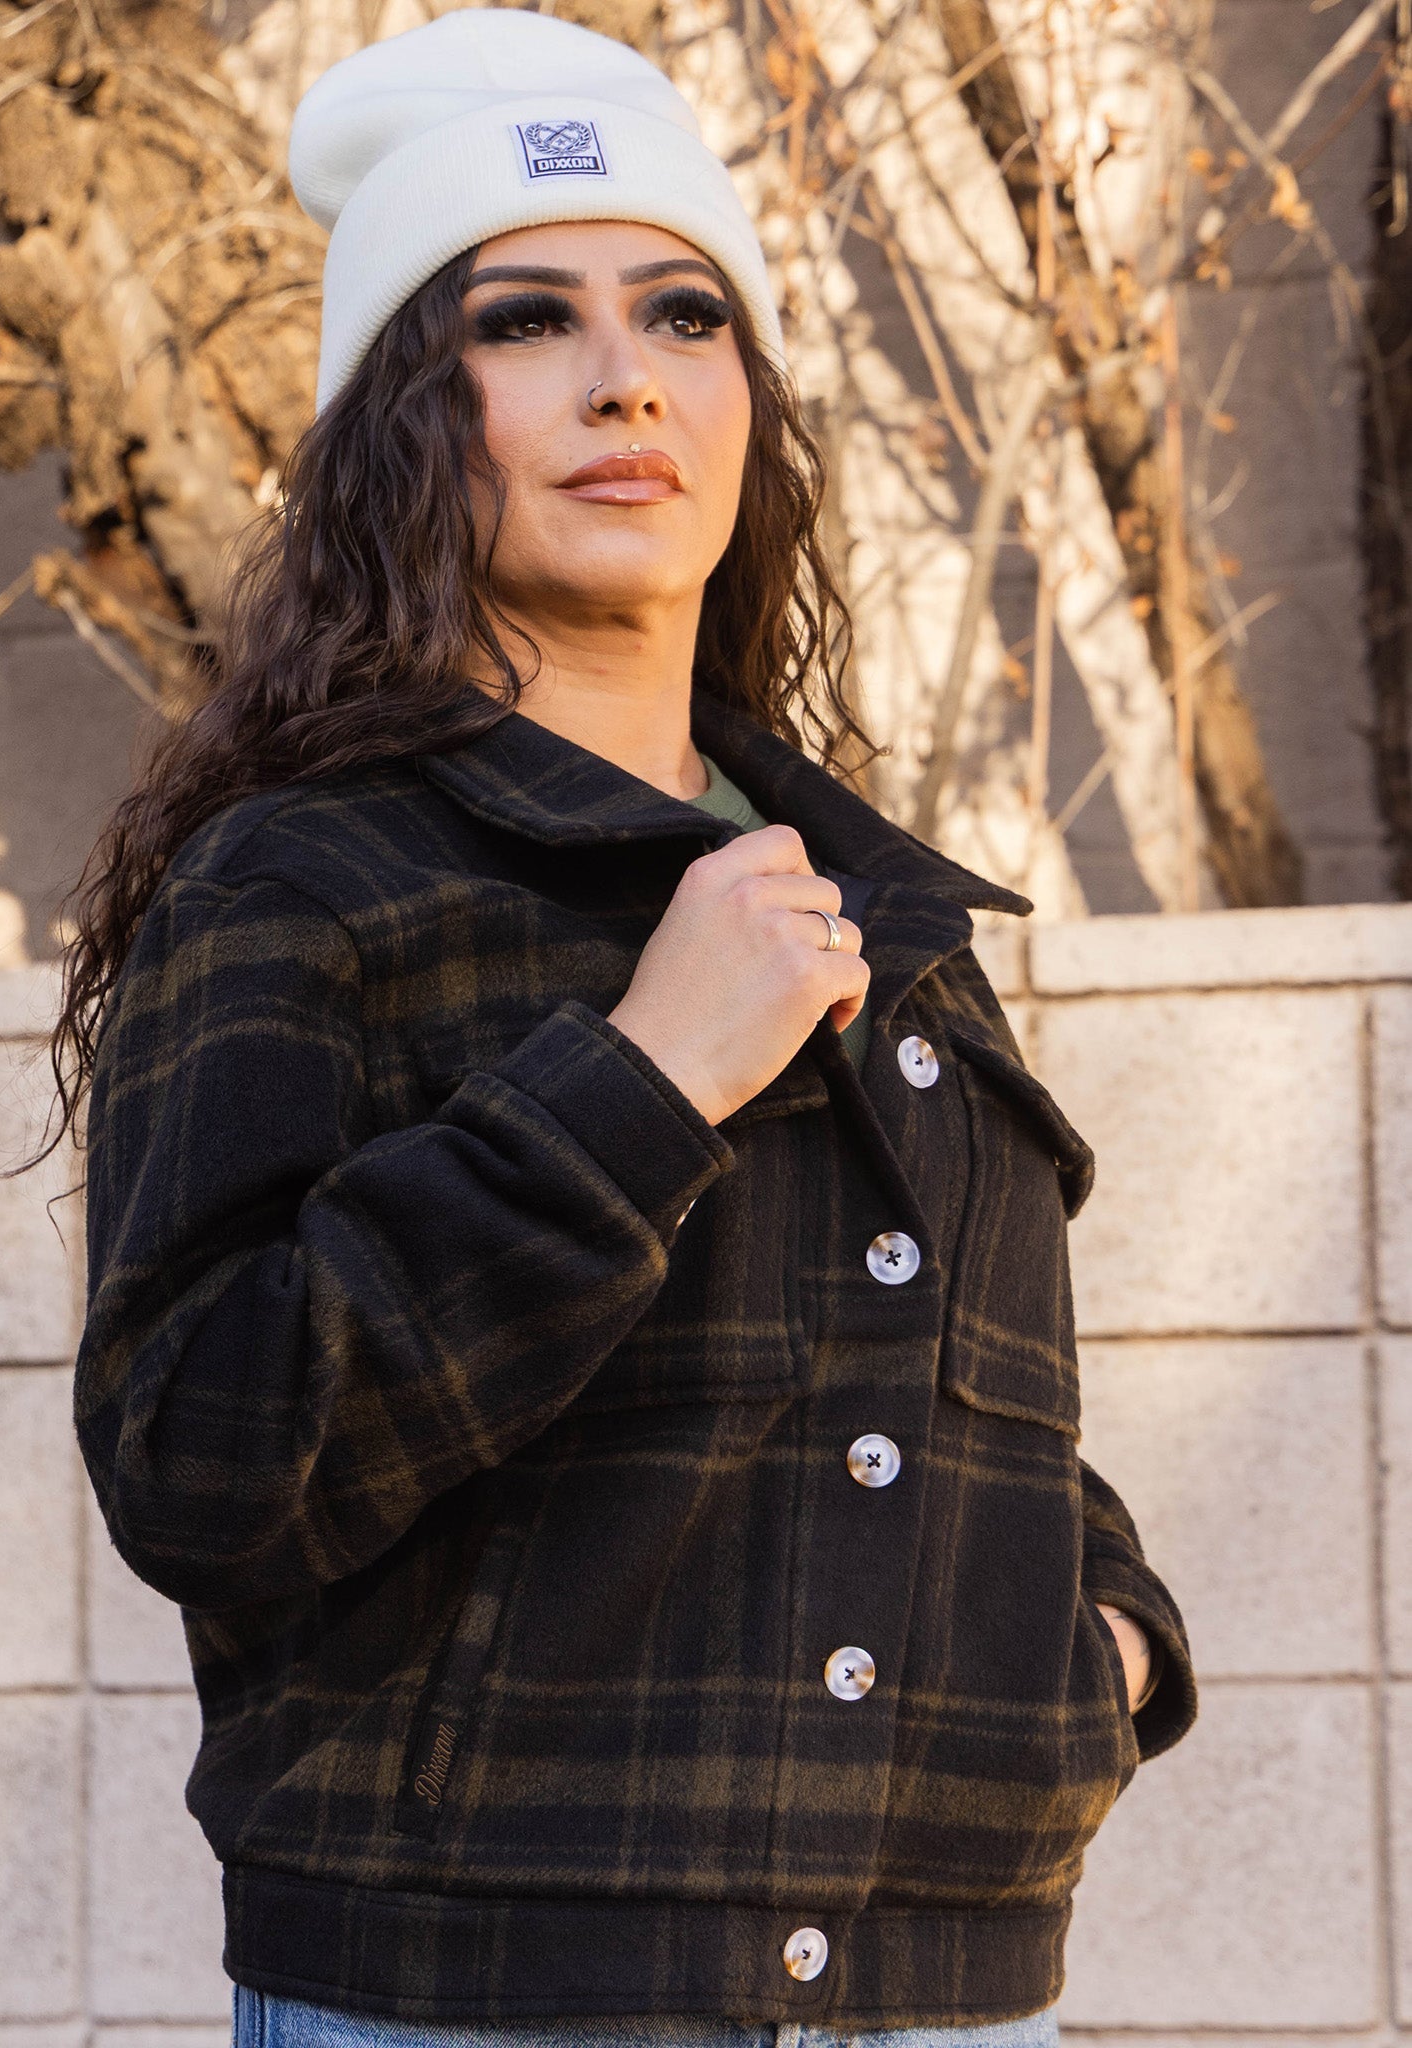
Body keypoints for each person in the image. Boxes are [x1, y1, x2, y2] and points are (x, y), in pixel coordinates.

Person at [61, 12, 1196, 2045]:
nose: (625, 377)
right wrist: (645, 1080)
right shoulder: (299, 881)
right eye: (522, 322)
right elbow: (201, 1466)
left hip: (947, 1993)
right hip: (486, 2001)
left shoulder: (878, 913)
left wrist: (1098, 1659)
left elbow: (960, 1401)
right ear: (401, 427)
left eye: (686, 313)